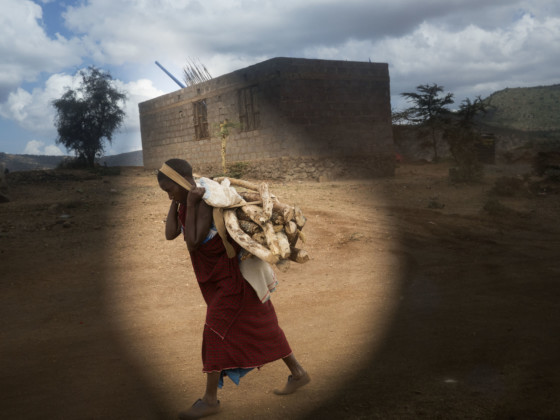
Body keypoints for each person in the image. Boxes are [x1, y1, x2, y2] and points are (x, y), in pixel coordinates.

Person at [157, 158, 310, 419]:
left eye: (170, 190)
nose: (169, 195)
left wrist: (190, 202)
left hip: (234, 279)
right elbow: (170, 233)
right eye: (166, 193)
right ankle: (298, 373)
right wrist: (176, 200)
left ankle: (210, 400)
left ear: (181, 181)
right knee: (263, 324)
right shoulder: (185, 201)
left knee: (214, 331)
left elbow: (192, 242)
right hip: (220, 279)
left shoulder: (203, 203)